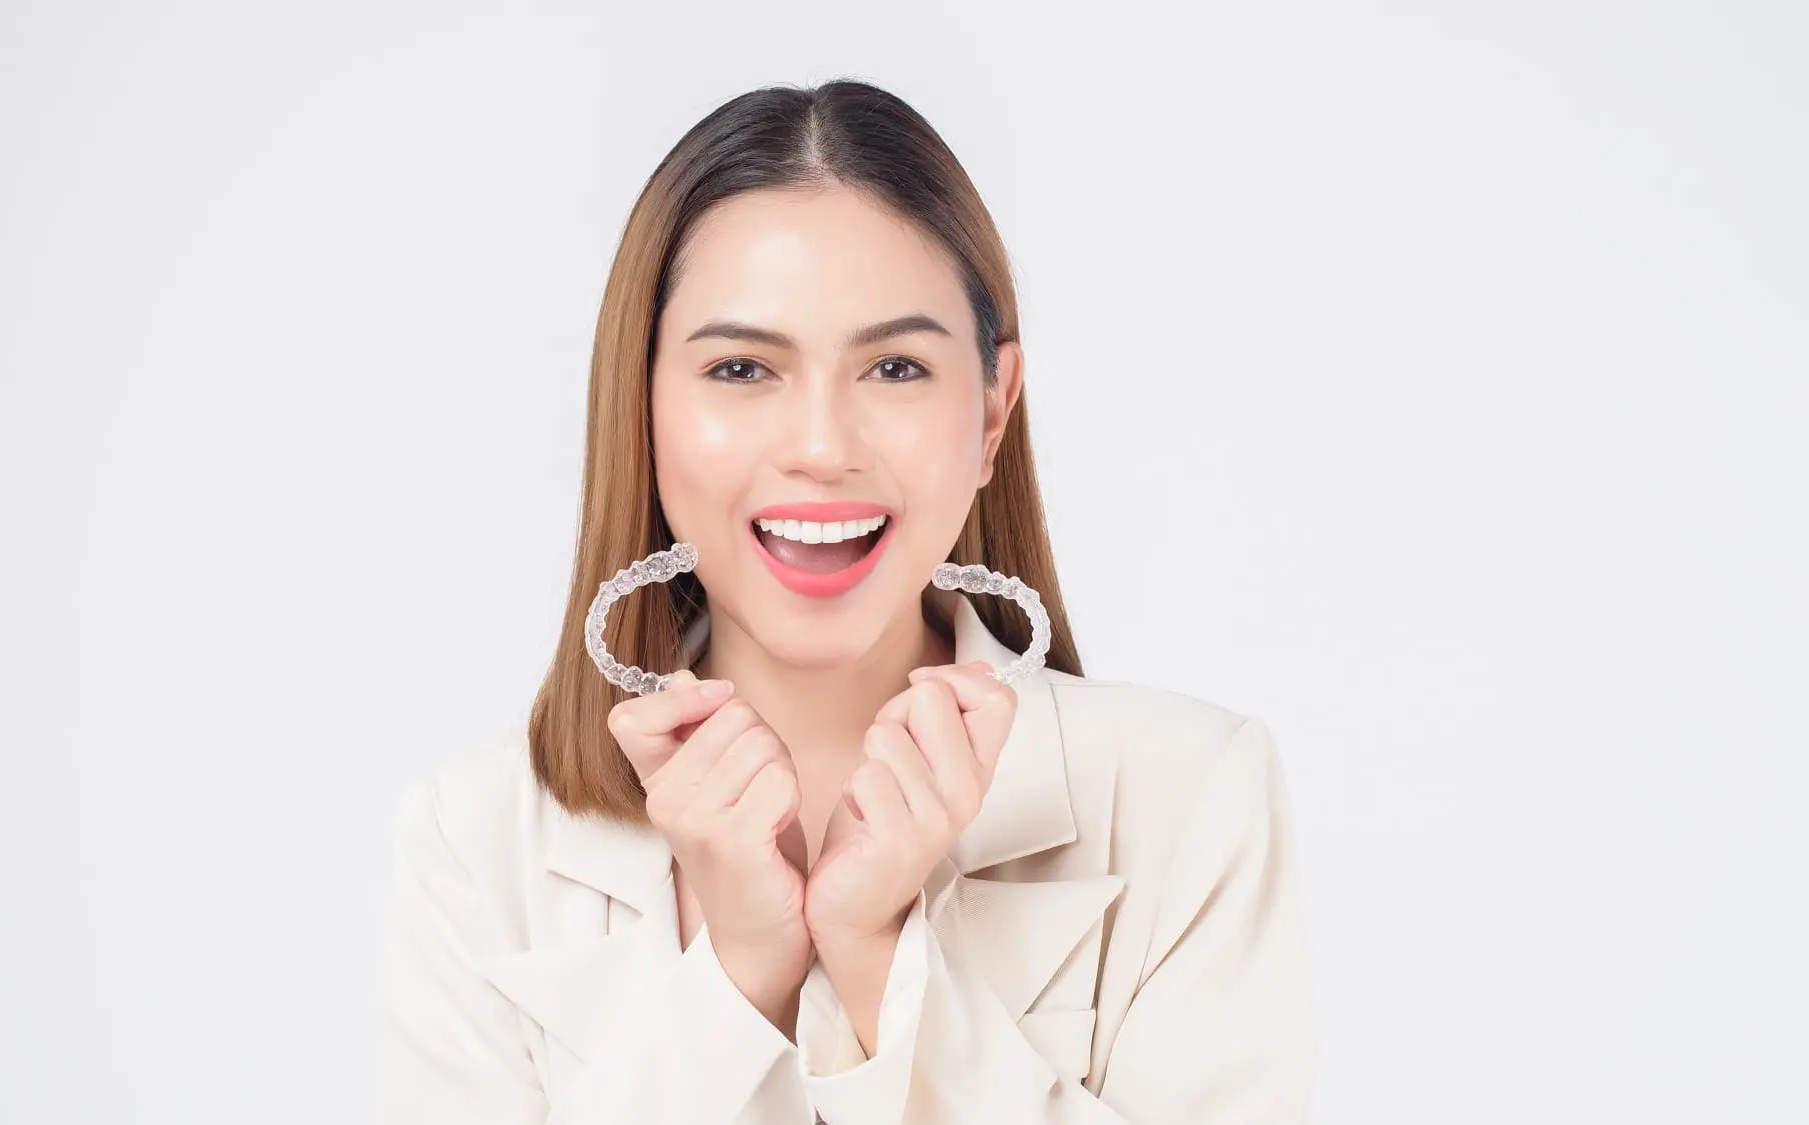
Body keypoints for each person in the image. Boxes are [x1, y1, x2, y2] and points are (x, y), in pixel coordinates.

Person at [375, 79, 1317, 1124]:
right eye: (739, 368)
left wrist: (877, 960)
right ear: (640, 407)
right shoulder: (476, 842)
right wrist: (736, 972)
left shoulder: (1186, 796)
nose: (821, 448)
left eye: (895, 368)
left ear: (992, 412)